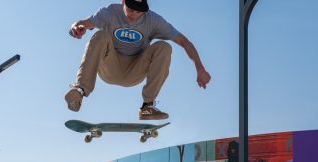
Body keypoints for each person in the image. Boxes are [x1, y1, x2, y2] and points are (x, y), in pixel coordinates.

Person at [65, 0, 211, 120]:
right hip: (110, 66)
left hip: (135, 70)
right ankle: (79, 90)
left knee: (164, 47)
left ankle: (147, 106)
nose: (134, 15)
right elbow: (83, 22)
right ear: (123, 2)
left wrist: (200, 68)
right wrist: (77, 27)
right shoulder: (110, 11)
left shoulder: (153, 20)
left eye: (139, 11)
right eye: (131, 9)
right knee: (100, 35)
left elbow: (184, 41)